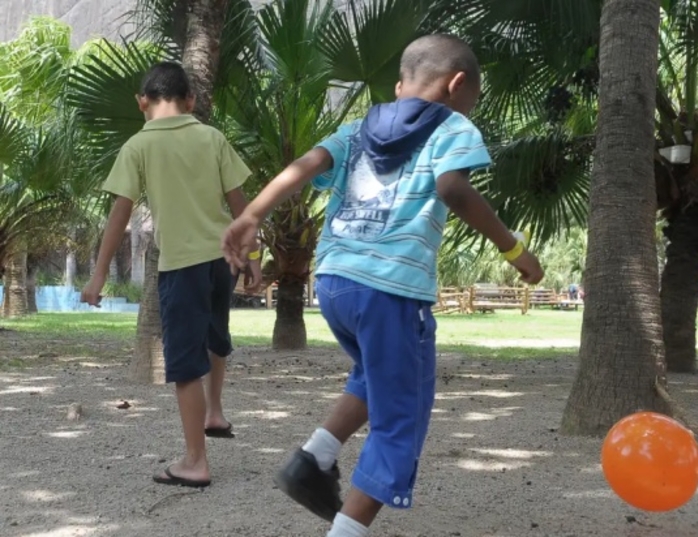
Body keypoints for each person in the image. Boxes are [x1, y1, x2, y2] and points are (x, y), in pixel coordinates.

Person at [222, 34, 544, 537]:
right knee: (401, 418)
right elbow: (453, 188)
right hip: (391, 290)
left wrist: (250, 215)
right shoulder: (452, 125)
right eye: (472, 98)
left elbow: (306, 165)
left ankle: (314, 459)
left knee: (375, 376)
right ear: (457, 85)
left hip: (334, 284)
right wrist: (513, 248)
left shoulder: (357, 127)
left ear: (399, 86)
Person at [81, 61, 261, 488]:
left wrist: (99, 275)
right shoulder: (212, 137)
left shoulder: (138, 146)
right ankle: (215, 413)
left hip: (181, 266)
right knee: (216, 338)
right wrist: (253, 255)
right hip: (223, 262)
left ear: (142, 102)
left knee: (183, 365)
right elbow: (241, 205)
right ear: (191, 101)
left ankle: (195, 461)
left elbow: (118, 214)